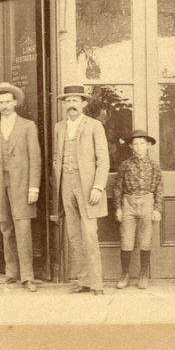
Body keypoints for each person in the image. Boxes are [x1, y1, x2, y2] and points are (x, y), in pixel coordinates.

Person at [0, 82, 42, 291]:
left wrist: (33, 187)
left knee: (23, 229)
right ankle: (12, 273)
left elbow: (35, 159)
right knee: (6, 230)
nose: (5, 105)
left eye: (8, 101)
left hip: (22, 185)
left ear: (15, 102)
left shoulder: (27, 126)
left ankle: (28, 277)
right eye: (1, 102)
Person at [50, 85, 110, 294]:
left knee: (90, 234)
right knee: (74, 235)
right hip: (65, 183)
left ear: (84, 103)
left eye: (75, 100)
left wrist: (98, 186)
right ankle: (84, 281)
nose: (71, 104)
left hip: (88, 186)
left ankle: (97, 284)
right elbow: (56, 157)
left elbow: (103, 160)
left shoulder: (94, 126)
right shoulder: (59, 127)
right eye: (68, 101)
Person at [113, 131, 163, 290]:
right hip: (128, 202)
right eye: (135, 144)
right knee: (126, 240)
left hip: (147, 201)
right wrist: (118, 208)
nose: (139, 147)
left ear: (148, 145)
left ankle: (143, 273)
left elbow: (159, 188)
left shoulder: (154, 165)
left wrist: (157, 208)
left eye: (142, 143)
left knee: (145, 240)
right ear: (130, 146)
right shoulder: (125, 165)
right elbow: (117, 188)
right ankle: (125, 274)